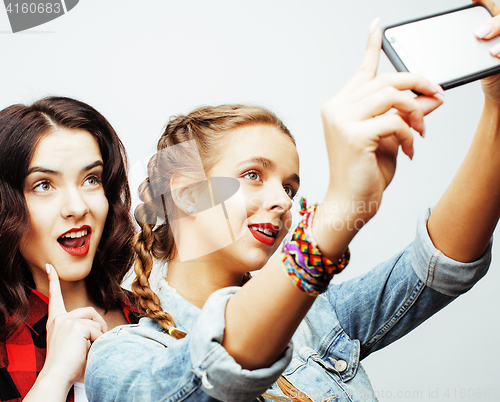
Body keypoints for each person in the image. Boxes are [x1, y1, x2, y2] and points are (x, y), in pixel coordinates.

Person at [86, 5, 499, 401]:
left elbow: (439, 266)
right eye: (252, 175)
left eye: (289, 188)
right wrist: (338, 209)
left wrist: (497, 105)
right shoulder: (123, 357)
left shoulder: (318, 316)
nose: (282, 202)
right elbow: (220, 368)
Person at [0, 97, 141, 402]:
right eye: (43, 185)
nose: (77, 208)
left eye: (91, 179)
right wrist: (55, 377)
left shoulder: (151, 318)